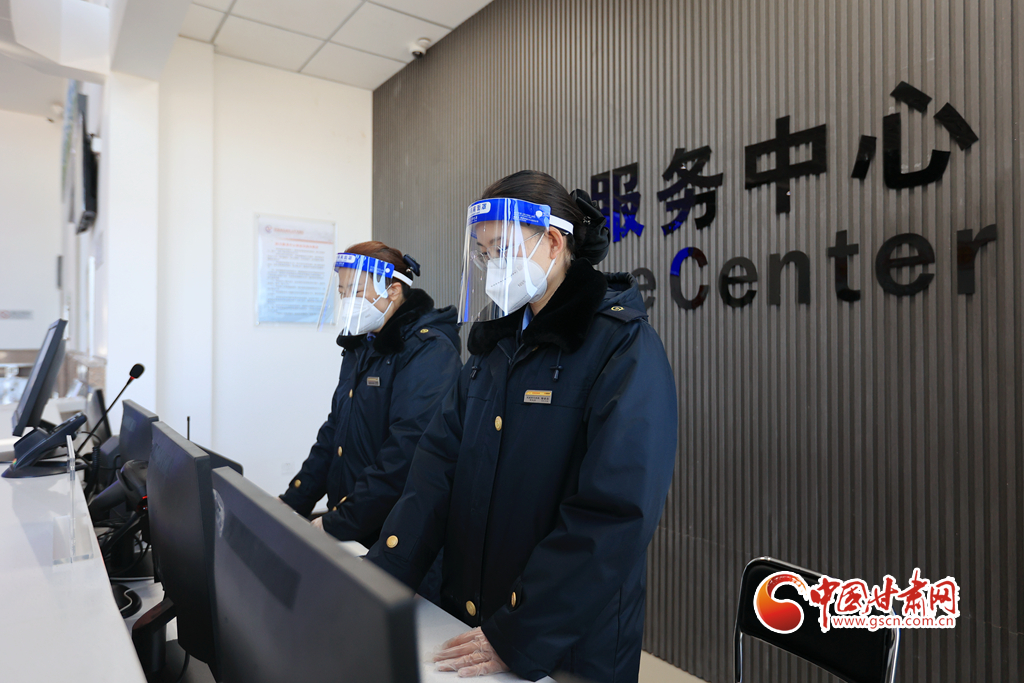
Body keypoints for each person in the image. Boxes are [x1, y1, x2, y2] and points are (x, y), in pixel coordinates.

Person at [366, 171, 678, 682]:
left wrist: (519, 632)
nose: (493, 266)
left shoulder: (622, 345)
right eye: (485, 254)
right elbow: (437, 466)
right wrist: (388, 573)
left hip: (563, 645)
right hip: (477, 616)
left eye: (503, 250)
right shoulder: (495, 345)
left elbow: (614, 513)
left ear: (553, 242)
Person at [279, 241, 461, 553]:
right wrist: (292, 502)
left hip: (395, 535)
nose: (348, 301)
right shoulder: (362, 344)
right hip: (353, 524)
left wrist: (339, 522)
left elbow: (404, 453)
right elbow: (335, 432)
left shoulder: (429, 350)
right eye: (342, 292)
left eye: (356, 291)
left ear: (393, 290)